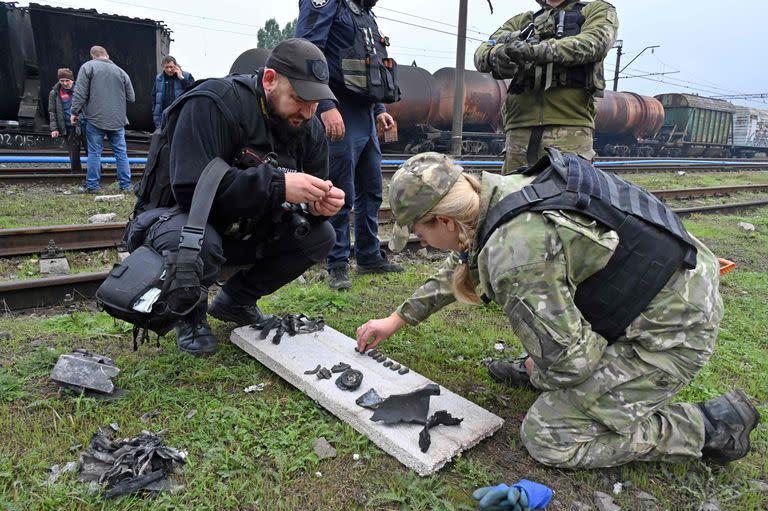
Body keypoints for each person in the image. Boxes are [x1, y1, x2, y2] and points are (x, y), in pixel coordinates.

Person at [355, 150, 760, 469]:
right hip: (667, 284)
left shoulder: (514, 257)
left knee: (549, 437)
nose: (422, 243)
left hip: (669, 333)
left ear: (444, 220)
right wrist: (396, 320)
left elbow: (574, 364)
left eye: (421, 233)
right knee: (552, 361)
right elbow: (463, 262)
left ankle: (709, 427)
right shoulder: (499, 190)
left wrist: (547, 369)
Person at [125, 38, 344, 356]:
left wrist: (319, 207)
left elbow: (309, 201)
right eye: (299, 99)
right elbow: (189, 188)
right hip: (177, 222)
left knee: (320, 236)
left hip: (244, 225)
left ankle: (235, 302)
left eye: (316, 103)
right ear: (270, 80)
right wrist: (278, 185)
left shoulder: (309, 127)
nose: (308, 112)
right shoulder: (213, 102)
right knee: (199, 239)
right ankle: (190, 314)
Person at [296, 0, 403, 291]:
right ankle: (337, 263)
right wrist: (326, 105)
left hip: (366, 114)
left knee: (371, 189)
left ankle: (369, 256)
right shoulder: (328, 3)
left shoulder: (365, 12)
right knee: (341, 191)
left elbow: (371, 62)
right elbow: (308, 53)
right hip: (339, 109)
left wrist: (380, 108)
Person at [474, 0, 618, 172]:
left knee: (565, 196)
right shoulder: (524, 20)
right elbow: (484, 48)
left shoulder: (595, 10)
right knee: (512, 196)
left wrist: (534, 51)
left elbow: (595, 42)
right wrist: (497, 54)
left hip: (569, 132)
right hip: (518, 134)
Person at [71, 45, 135, 193]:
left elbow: (80, 93)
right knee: (121, 153)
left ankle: (93, 186)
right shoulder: (121, 72)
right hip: (118, 120)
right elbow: (131, 98)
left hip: (95, 118)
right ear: (107, 55)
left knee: (94, 152)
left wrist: (74, 112)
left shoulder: (88, 67)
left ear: (93, 56)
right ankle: (125, 186)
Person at [48, 68, 86, 173]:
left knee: (92, 152)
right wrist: (54, 129)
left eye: (67, 80)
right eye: (62, 80)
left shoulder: (81, 90)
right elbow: (52, 112)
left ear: (72, 80)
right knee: (74, 154)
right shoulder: (54, 93)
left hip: (84, 125)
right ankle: (76, 174)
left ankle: (98, 173)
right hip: (68, 127)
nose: (65, 83)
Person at [151, 56, 194, 129]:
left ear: (176, 66)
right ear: (163, 67)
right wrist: (154, 110)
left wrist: (181, 78)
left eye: (171, 67)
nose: (169, 70)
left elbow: (193, 91)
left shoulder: (186, 76)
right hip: (163, 117)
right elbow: (154, 96)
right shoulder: (159, 78)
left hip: (180, 115)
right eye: (166, 67)